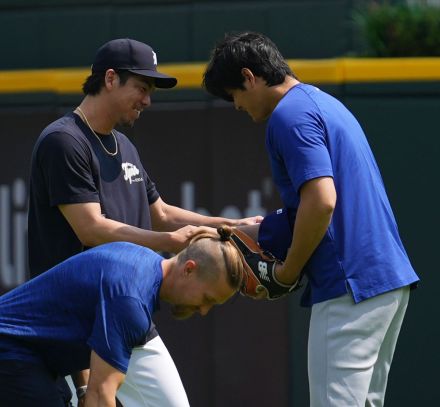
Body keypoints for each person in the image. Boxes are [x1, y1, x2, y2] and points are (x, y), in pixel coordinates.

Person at [27, 38, 261, 406]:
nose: (147, 100)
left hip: (125, 309)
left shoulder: (124, 145)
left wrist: (227, 225)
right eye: (141, 87)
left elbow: (162, 214)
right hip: (75, 318)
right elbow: (91, 228)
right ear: (109, 79)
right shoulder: (64, 141)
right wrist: (169, 242)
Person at [203, 32, 419, 407]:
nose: (235, 105)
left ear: (249, 77)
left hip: (349, 284)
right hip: (385, 280)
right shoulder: (322, 102)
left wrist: (287, 271)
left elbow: (321, 202)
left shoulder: (287, 115)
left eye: (233, 93)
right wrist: (254, 230)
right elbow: (322, 206)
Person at [0, 228, 244, 407]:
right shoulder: (130, 300)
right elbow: (100, 396)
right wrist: (89, 391)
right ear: (189, 269)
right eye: (207, 299)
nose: (203, 310)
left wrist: (83, 387)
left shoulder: (142, 262)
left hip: (30, 357)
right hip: (12, 351)